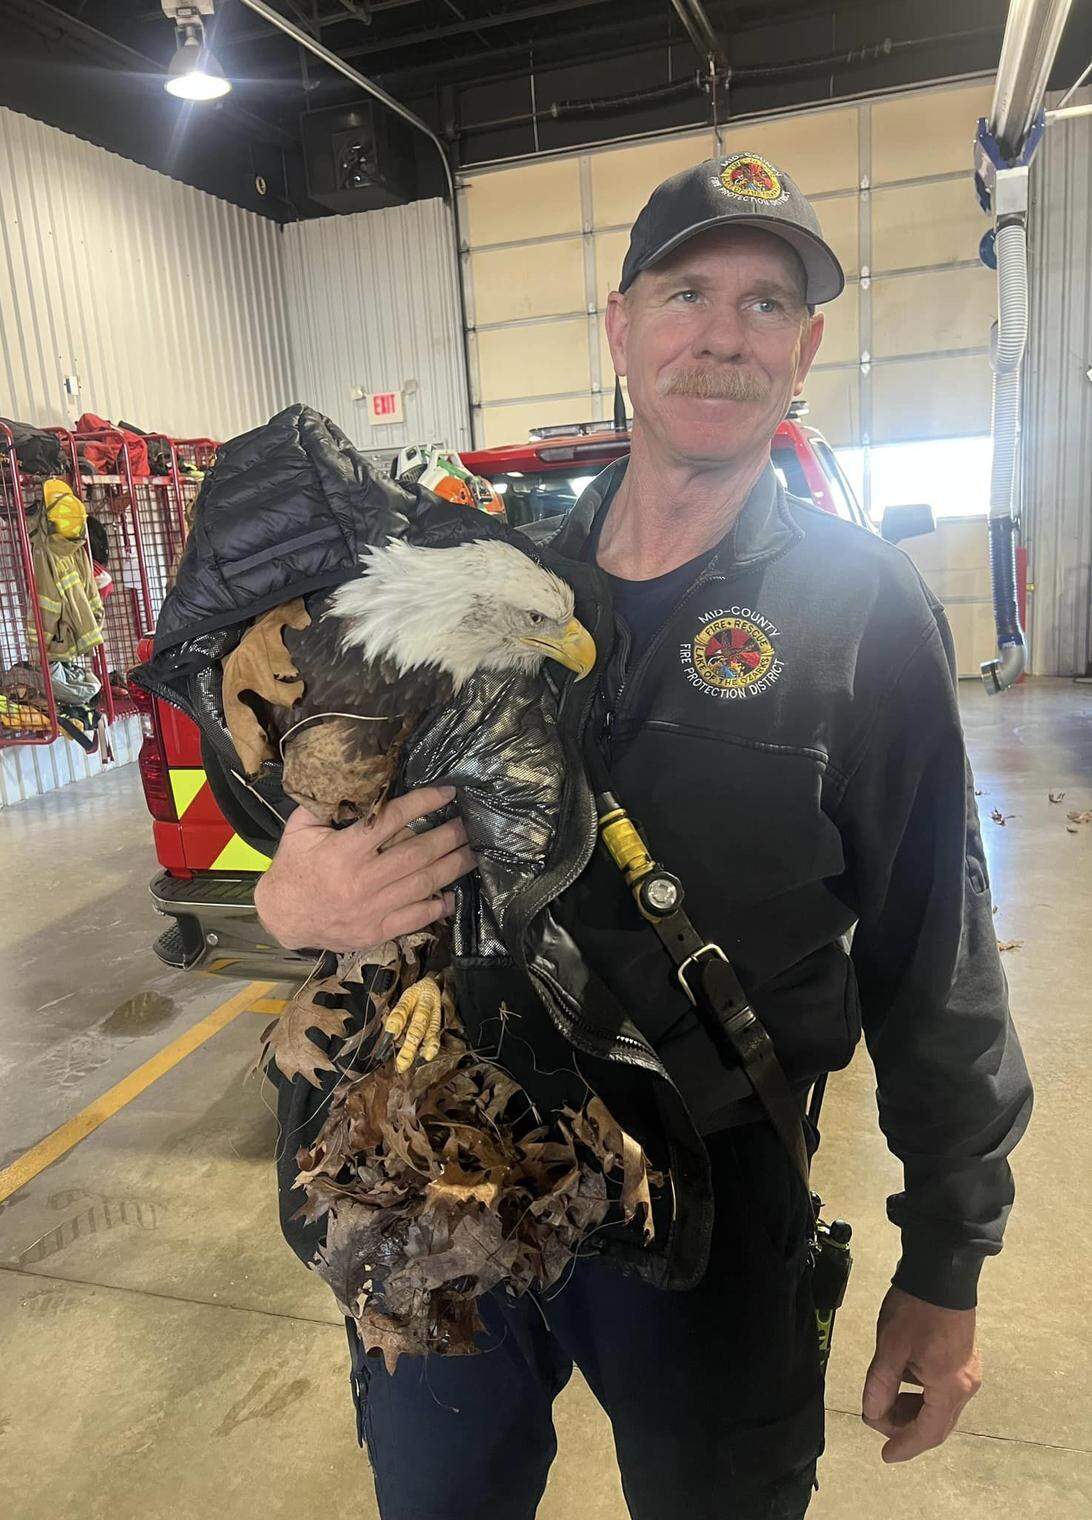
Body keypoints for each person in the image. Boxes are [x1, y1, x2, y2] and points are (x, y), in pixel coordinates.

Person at [254, 153, 1032, 1519]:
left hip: (714, 1189)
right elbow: (336, 800)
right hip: (444, 1159)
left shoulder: (863, 616)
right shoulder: (495, 581)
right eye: (685, 292)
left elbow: (935, 952)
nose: (722, 335)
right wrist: (292, 900)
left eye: (765, 303)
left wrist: (948, 1261)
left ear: (805, 347)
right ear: (621, 326)